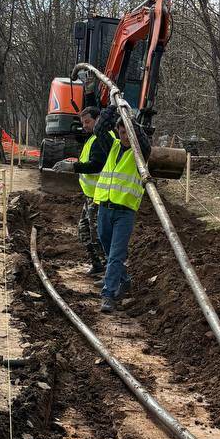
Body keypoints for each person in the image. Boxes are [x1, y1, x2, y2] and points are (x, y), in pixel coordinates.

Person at [93, 114, 151, 314]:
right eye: (123, 132)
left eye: (129, 132)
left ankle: (108, 294)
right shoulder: (113, 147)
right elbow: (99, 129)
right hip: (104, 208)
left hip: (124, 212)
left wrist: (133, 123)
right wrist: (112, 106)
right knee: (108, 249)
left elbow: (144, 141)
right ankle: (124, 280)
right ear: (118, 132)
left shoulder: (140, 153)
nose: (126, 136)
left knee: (116, 254)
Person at [72, 106, 105, 275]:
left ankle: (109, 270)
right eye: (82, 122)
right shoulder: (92, 139)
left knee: (97, 235)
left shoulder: (101, 139)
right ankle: (98, 264)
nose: (84, 125)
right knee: (84, 230)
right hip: (90, 196)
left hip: (99, 196)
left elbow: (96, 165)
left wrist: (73, 167)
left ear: (98, 119)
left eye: (87, 121)